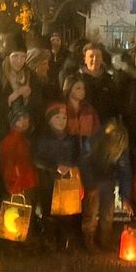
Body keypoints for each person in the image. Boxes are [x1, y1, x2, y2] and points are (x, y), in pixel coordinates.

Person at [0, 32, 33, 202]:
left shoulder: (29, 75)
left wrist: (28, 101)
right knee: (1, 183)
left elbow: (37, 103)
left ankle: (21, 222)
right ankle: (0, 220)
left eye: (23, 57)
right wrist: (12, 96)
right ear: (8, 56)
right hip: (0, 136)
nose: (19, 61)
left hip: (22, 137)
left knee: (21, 183)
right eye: (15, 56)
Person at [79, 119, 133, 253]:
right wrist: (90, 185)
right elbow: (84, 163)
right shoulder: (94, 142)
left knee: (108, 213)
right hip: (93, 180)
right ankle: (89, 240)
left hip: (108, 180)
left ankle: (105, 239)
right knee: (91, 212)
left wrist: (125, 197)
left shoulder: (121, 147)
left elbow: (125, 171)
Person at [34, 102, 79, 250]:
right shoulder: (44, 139)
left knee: (66, 211)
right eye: (57, 118)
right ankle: (49, 238)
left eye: (64, 118)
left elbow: (75, 156)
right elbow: (37, 159)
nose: (61, 121)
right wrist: (54, 167)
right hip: (49, 181)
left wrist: (72, 166)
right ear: (50, 120)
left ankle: (64, 239)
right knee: (49, 210)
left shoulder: (71, 139)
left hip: (66, 181)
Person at [0, 104, 39, 201]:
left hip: (29, 183)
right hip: (20, 186)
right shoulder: (10, 141)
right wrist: (14, 186)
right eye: (19, 120)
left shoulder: (26, 138)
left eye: (25, 118)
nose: (23, 122)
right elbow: (8, 166)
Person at [77, 41, 116, 122]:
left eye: (98, 56)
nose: (95, 59)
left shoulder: (109, 80)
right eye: (91, 56)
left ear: (102, 59)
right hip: (84, 125)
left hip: (104, 124)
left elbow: (115, 104)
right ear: (85, 59)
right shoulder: (77, 79)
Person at [64, 74, 100, 155]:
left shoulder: (89, 109)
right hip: (69, 152)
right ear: (69, 89)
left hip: (87, 151)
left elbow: (96, 130)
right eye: (78, 88)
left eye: (83, 88)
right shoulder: (63, 109)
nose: (82, 91)